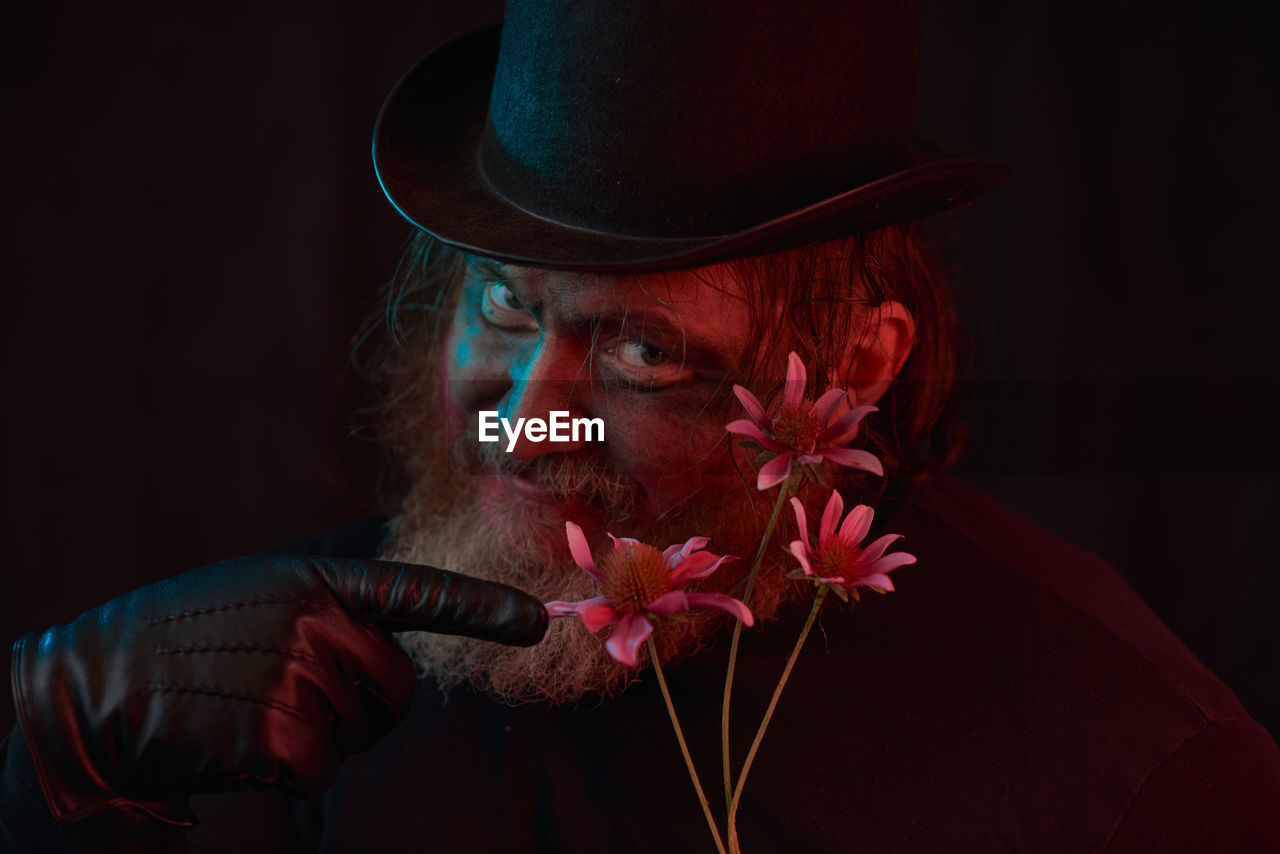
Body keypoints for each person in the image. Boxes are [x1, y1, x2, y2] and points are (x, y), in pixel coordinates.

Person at [4, 1, 1279, 851]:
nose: (525, 417)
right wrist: (56, 770)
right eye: (504, 301)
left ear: (851, 361)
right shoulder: (297, 681)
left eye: (642, 348)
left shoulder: (1126, 771)